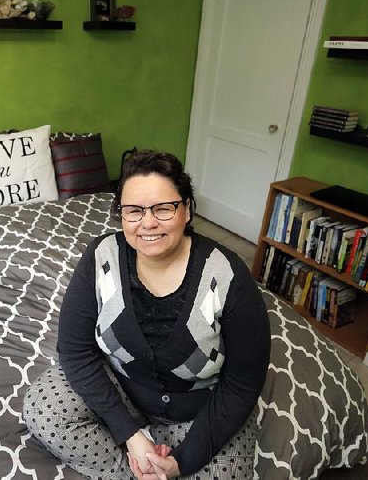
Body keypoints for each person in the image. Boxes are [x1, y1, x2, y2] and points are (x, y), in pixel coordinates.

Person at [23, 150, 270, 479]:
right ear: (121, 215)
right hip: (120, 395)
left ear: (187, 210)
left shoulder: (227, 275)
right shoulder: (101, 257)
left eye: (163, 208)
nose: (148, 222)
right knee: (43, 408)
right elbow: (75, 351)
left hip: (199, 411)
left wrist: (183, 461)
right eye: (134, 211)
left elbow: (242, 384)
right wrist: (131, 437)